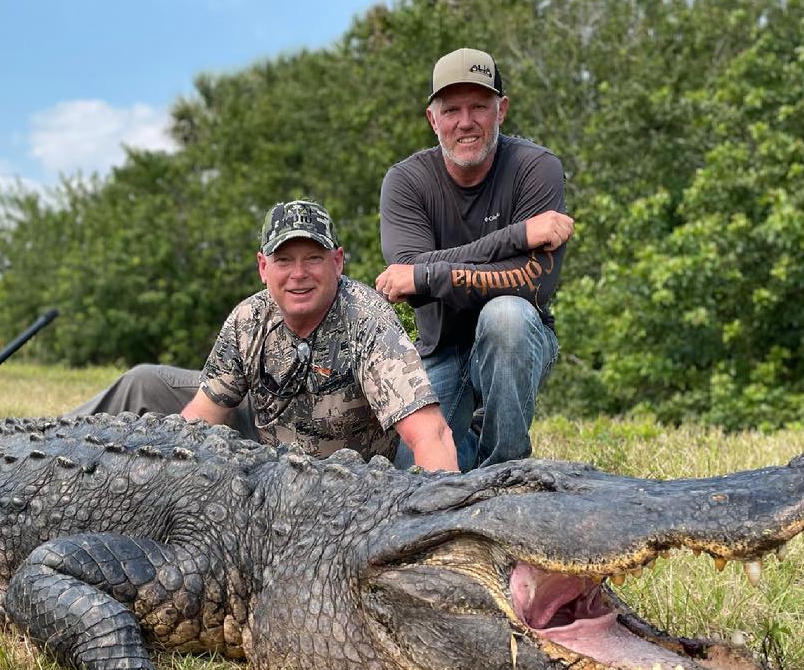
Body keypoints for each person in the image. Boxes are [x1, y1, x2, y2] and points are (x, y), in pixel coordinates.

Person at [72, 200, 458, 470]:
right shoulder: (247, 318)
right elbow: (201, 420)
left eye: (313, 258)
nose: (298, 274)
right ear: (263, 267)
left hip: (348, 487)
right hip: (264, 466)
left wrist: (440, 530)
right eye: (284, 260)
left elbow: (431, 434)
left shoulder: (368, 319)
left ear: (337, 262)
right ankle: (46, 444)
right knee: (144, 384)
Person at [376, 47, 572, 471]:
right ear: (433, 118)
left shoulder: (537, 167)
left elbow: (535, 282)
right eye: (452, 110)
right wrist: (516, 237)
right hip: (439, 347)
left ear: (501, 109)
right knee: (413, 474)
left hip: (517, 338)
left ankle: (507, 471)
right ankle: (471, 448)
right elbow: (407, 270)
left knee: (507, 317)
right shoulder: (406, 181)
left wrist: (427, 275)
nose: (466, 122)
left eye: (479, 107)